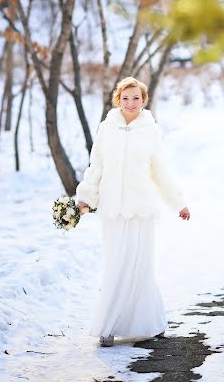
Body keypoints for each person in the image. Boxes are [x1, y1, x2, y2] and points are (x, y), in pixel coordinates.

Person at [76, 76, 191, 347]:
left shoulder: (151, 131)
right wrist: (84, 198)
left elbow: (161, 171)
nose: (130, 103)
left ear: (144, 100)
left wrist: (178, 203)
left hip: (141, 210)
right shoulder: (107, 128)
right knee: (117, 266)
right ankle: (108, 326)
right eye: (125, 98)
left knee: (140, 268)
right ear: (118, 99)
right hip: (113, 210)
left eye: (136, 98)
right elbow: (96, 167)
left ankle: (151, 323)